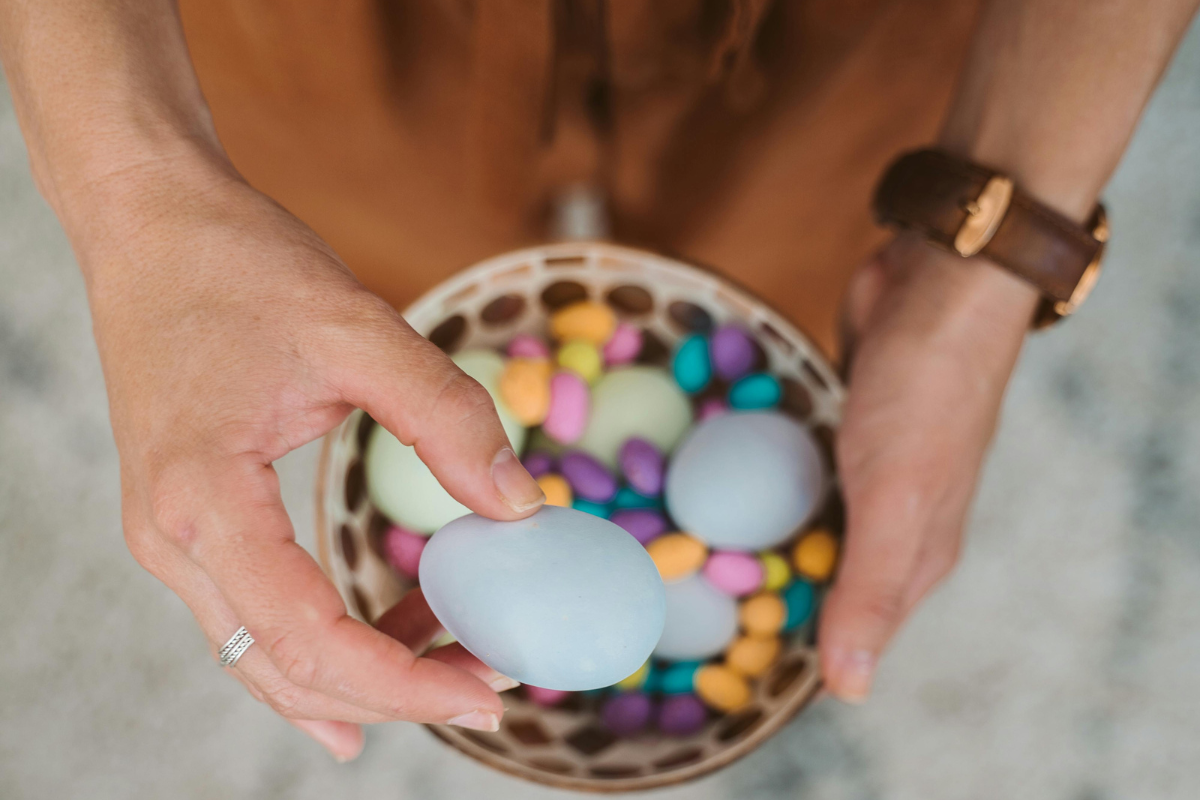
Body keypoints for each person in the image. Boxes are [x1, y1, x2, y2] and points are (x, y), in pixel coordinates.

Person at [1, 0, 1195, 763]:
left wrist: (981, 256)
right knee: (376, 274)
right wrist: (136, 187)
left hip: (827, 47)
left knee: (783, 248)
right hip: (337, 40)